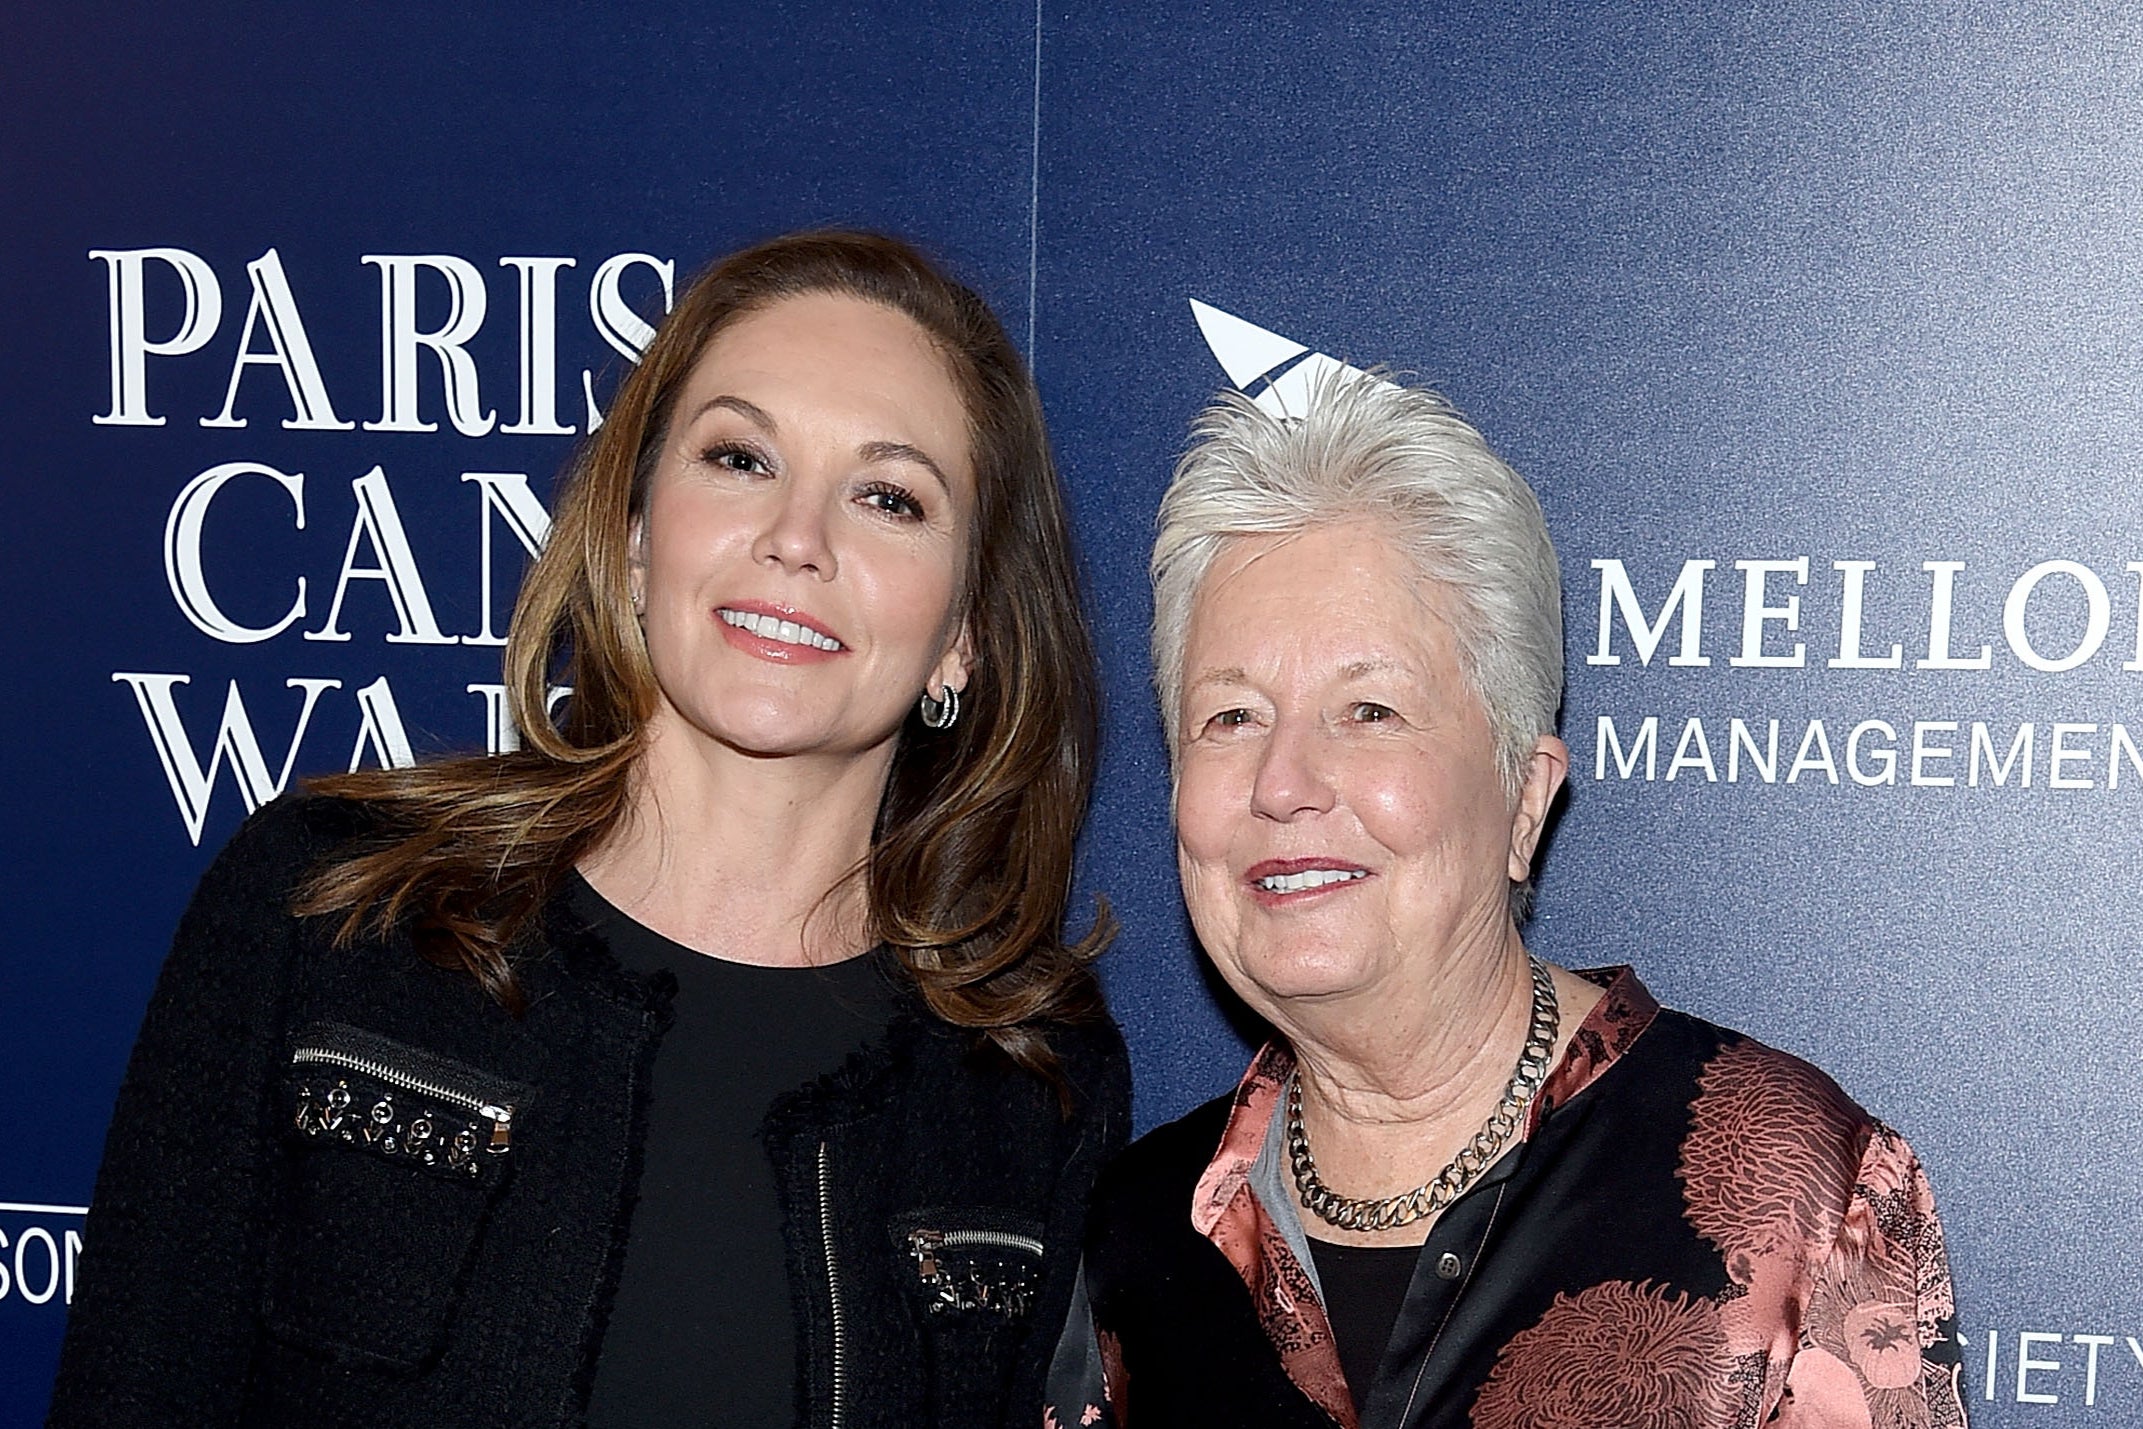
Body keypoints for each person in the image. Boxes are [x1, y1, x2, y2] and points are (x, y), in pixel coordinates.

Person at [51, 230, 1129, 1429]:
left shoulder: (1029, 1077)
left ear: (966, 634)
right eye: (738, 456)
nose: (797, 538)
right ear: (630, 535)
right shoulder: (333, 908)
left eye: (888, 496)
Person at [1065, 375, 1966, 1428]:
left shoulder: (1800, 1186)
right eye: (1229, 716)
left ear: (1524, 796)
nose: (1281, 781)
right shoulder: (1133, 1230)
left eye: (1368, 708)